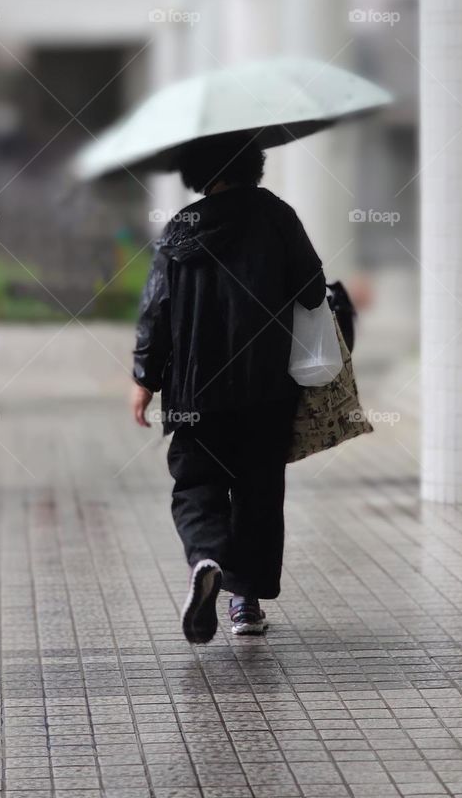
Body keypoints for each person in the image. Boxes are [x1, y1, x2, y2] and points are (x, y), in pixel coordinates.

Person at [131, 134, 325, 644]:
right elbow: (310, 289)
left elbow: (157, 311)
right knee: (258, 491)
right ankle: (244, 603)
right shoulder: (276, 216)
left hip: (195, 394)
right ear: (254, 165)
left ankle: (207, 557)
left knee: (197, 486)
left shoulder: (179, 228)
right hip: (266, 389)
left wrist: (143, 381)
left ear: (196, 172)